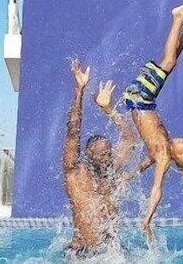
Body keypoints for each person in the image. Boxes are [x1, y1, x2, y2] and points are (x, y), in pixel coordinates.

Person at [118, 1, 183, 245]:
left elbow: (157, 191)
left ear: (180, 159)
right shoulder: (162, 149)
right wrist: (127, 177)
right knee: (169, 62)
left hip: (139, 100)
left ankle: (178, 18)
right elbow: (144, 163)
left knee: (167, 63)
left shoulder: (164, 159)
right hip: (142, 100)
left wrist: (147, 220)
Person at [62, 59, 137, 258]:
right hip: (83, 253)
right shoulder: (75, 172)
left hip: (111, 253)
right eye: (102, 154)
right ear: (89, 155)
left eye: (108, 152)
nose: (107, 157)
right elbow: (73, 130)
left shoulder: (111, 169)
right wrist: (80, 90)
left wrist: (108, 108)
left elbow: (130, 139)